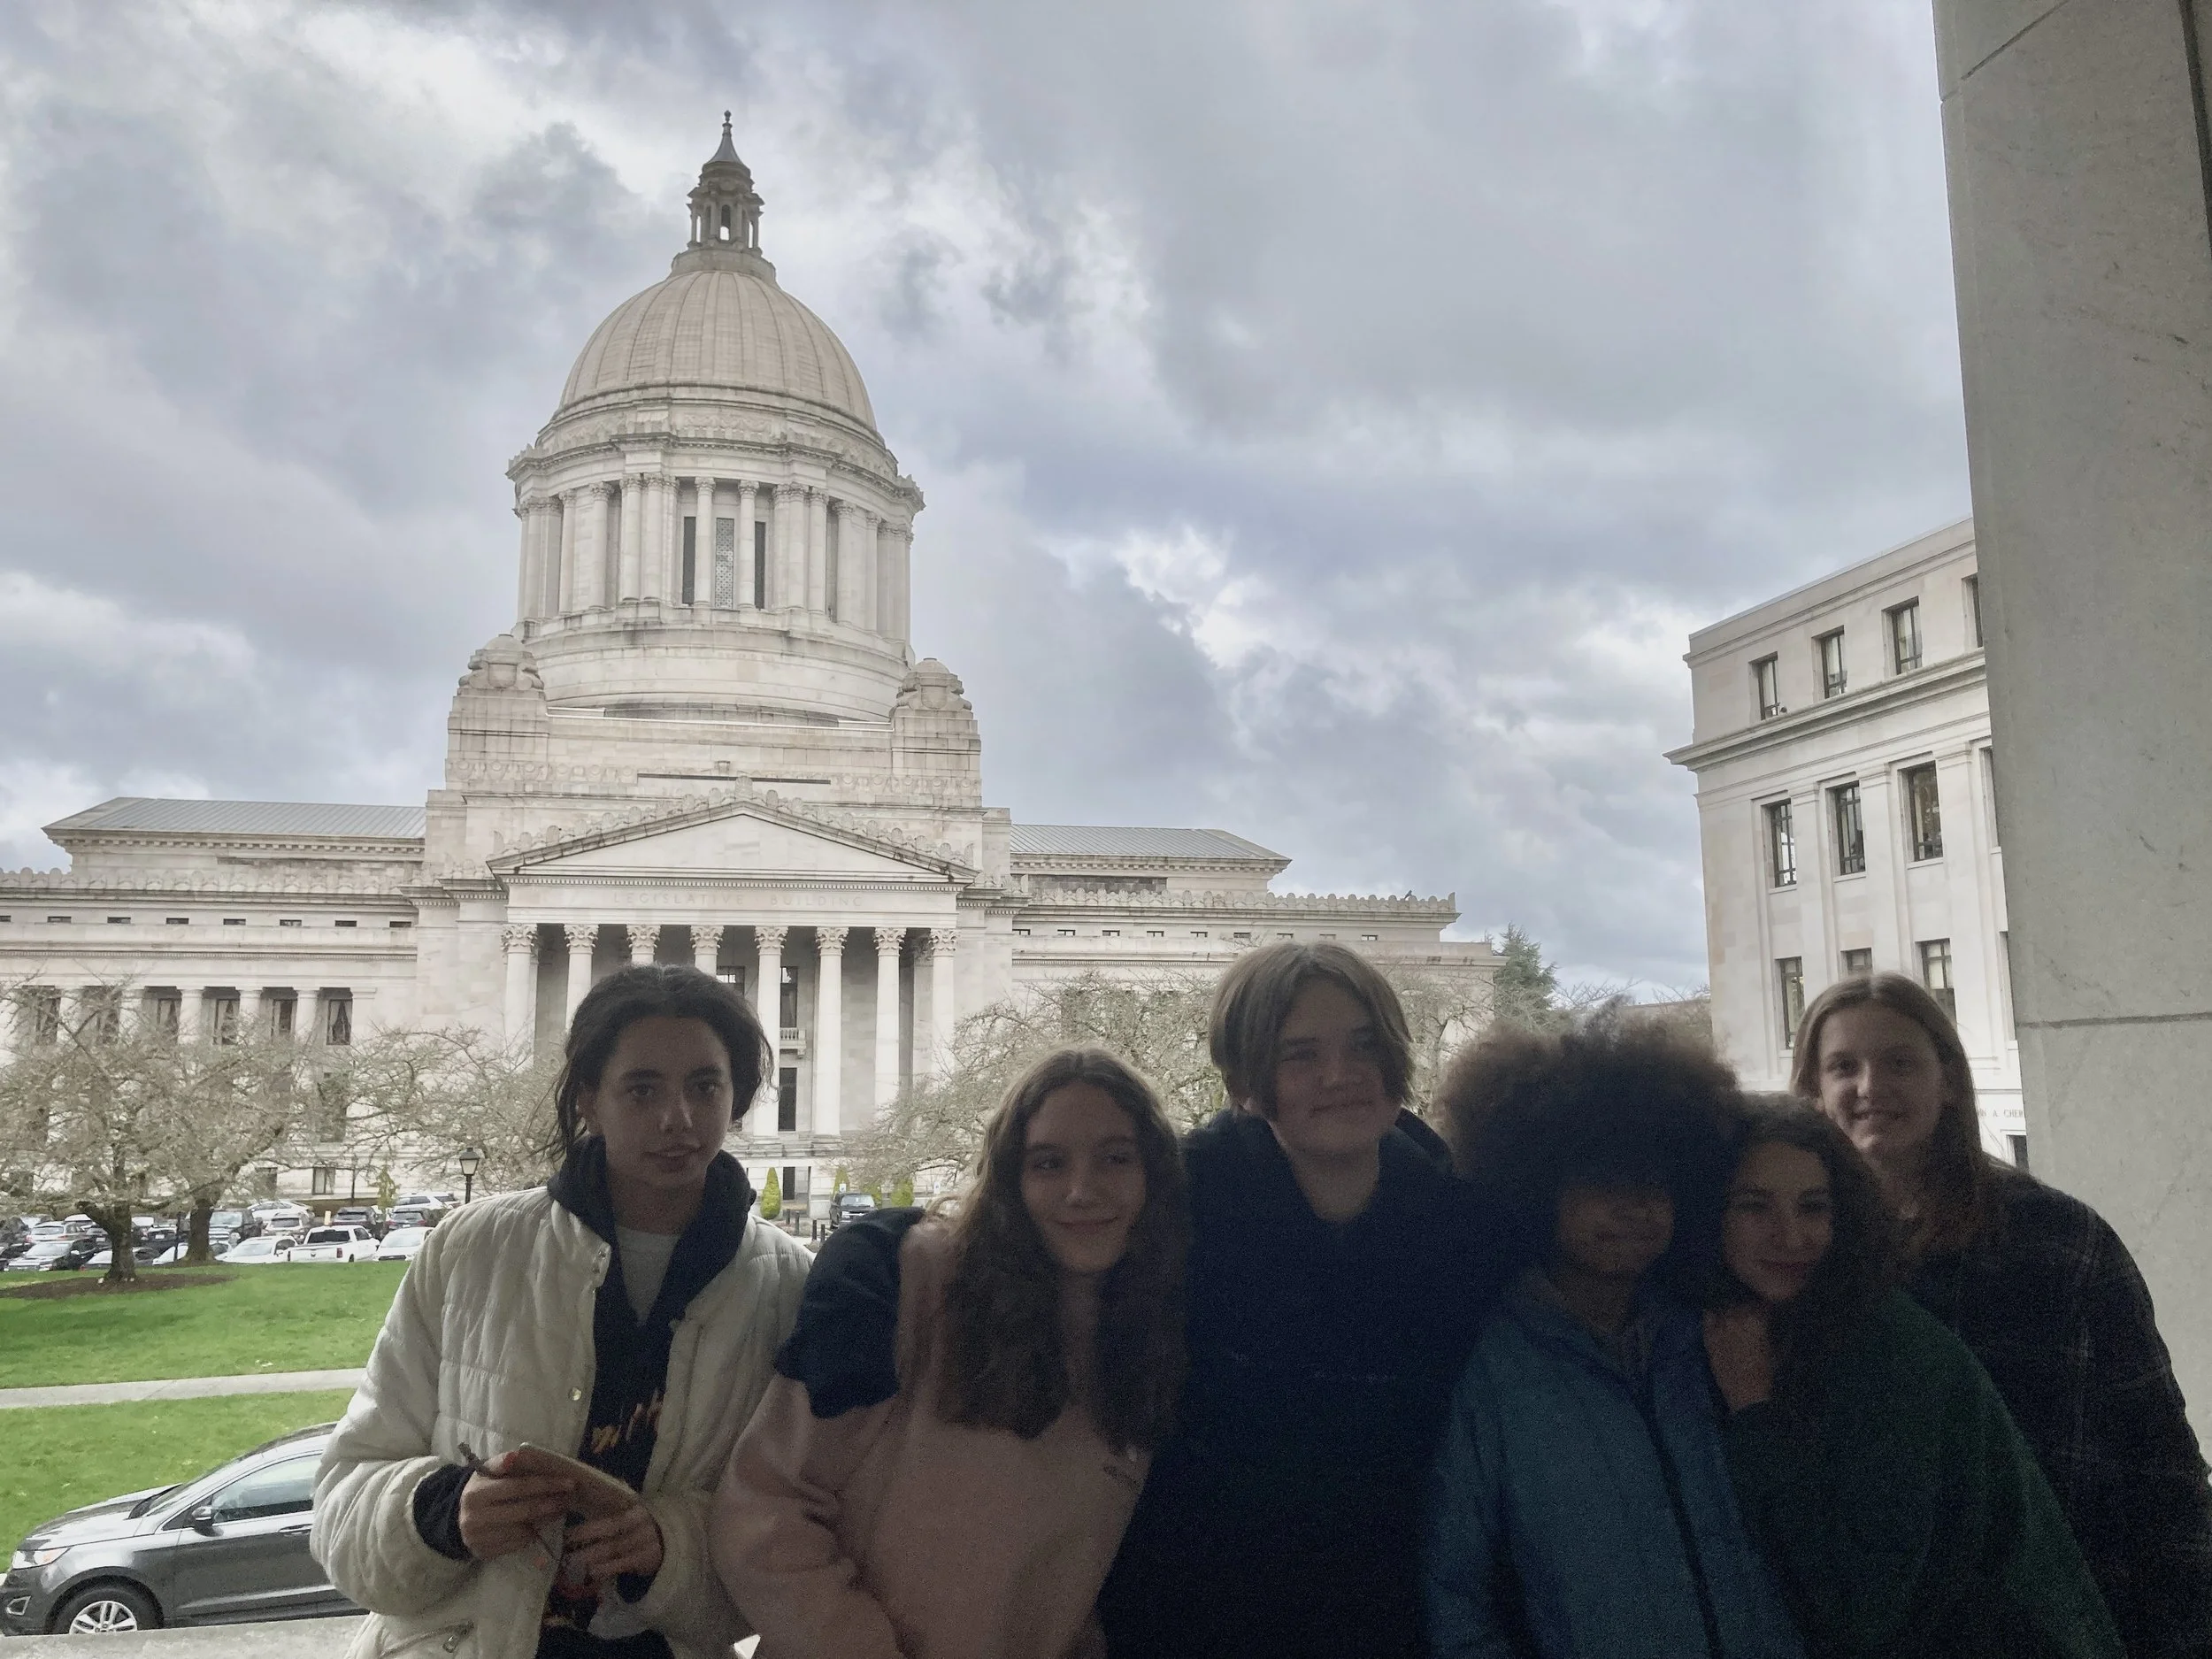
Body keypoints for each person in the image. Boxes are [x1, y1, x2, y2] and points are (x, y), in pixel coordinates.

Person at [312, 964, 812, 1659]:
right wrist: (441, 1513)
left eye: (705, 1086)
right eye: (642, 1089)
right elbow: (345, 1490)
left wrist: (670, 1547)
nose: (678, 1118)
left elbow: (799, 1529)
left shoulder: (790, 1286)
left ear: (737, 1097)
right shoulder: (472, 1248)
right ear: (588, 1098)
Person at [1100, 941, 1516, 1659]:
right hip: (1192, 1618)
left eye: (1364, 1044)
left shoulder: (1464, 1228)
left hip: (1394, 1617)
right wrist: (867, 1257)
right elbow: (1005, 1240)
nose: (1341, 1076)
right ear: (1245, 1082)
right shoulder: (1171, 1204)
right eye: (1299, 1054)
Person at [710, 1046, 1187, 1659]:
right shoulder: (918, 1281)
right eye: (1048, 1162)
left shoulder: (1154, 1337)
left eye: (1116, 1158)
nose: (1081, 1190)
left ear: (1154, 1172)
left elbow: (1073, 1592)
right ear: (1012, 1178)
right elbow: (763, 1507)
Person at [1793, 972, 2211, 1658]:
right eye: (1844, 1066)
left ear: (1949, 1080)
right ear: (1812, 1090)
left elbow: (2157, 1456)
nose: (1871, 1086)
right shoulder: (1798, 1259)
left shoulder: (2060, 1237)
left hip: (2063, 1616)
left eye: (1900, 1061)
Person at [1425, 1014, 1802, 1659]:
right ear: (1537, 1188)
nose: (1637, 1207)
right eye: (1604, 1181)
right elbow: (1455, 1598)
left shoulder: (1718, 1339)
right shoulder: (1491, 1373)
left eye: (1654, 1182)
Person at [1705, 1100, 2123, 1657]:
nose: (1790, 1236)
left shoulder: (1886, 1348)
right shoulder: (1770, 1329)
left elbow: (1855, 1607)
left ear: (1844, 1218)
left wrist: (1754, 1409)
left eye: (1813, 1207)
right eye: (1755, 1206)